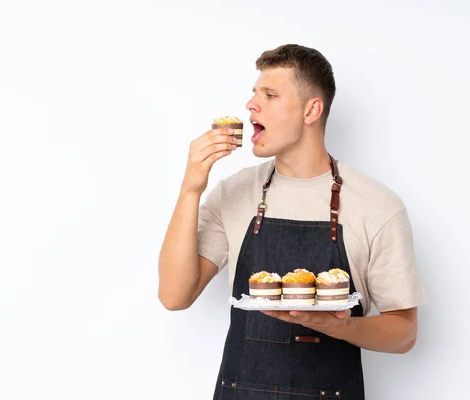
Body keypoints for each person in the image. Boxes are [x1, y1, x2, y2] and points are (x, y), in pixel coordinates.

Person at [158, 44, 427, 399]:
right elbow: (175, 296)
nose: (251, 105)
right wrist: (191, 189)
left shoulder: (376, 205)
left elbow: (404, 333)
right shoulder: (233, 194)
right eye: (254, 94)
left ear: (311, 110)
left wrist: (337, 326)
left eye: (269, 95)